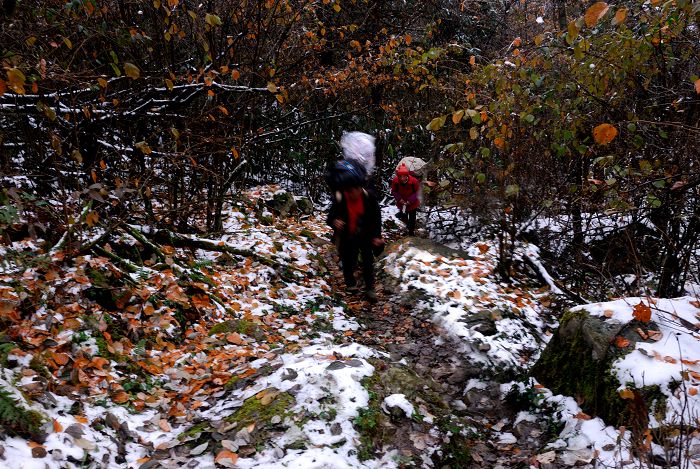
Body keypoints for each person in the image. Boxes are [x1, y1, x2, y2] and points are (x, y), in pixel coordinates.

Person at [327, 162, 384, 302]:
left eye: (355, 190)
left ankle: (370, 288)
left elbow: (377, 218)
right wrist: (335, 221)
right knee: (347, 259)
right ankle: (350, 283)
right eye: (350, 190)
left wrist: (377, 236)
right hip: (348, 235)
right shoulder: (340, 199)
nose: (353, 193)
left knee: (367, 261)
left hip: (365, 234)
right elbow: (330, 218)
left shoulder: (369, 198)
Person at [391, 163, 421, 236]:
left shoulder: (414, 181)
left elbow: (417, 192)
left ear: (407, 175)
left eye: (404, 176)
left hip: (412, 203)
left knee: (412, 218)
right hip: (401, 203)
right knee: (404, 216)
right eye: (400, 176)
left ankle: (411, 232)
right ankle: (406, 225)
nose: (402, 178)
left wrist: (410, 201)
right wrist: (400, 199)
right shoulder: (395, 181)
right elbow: (394, 191)